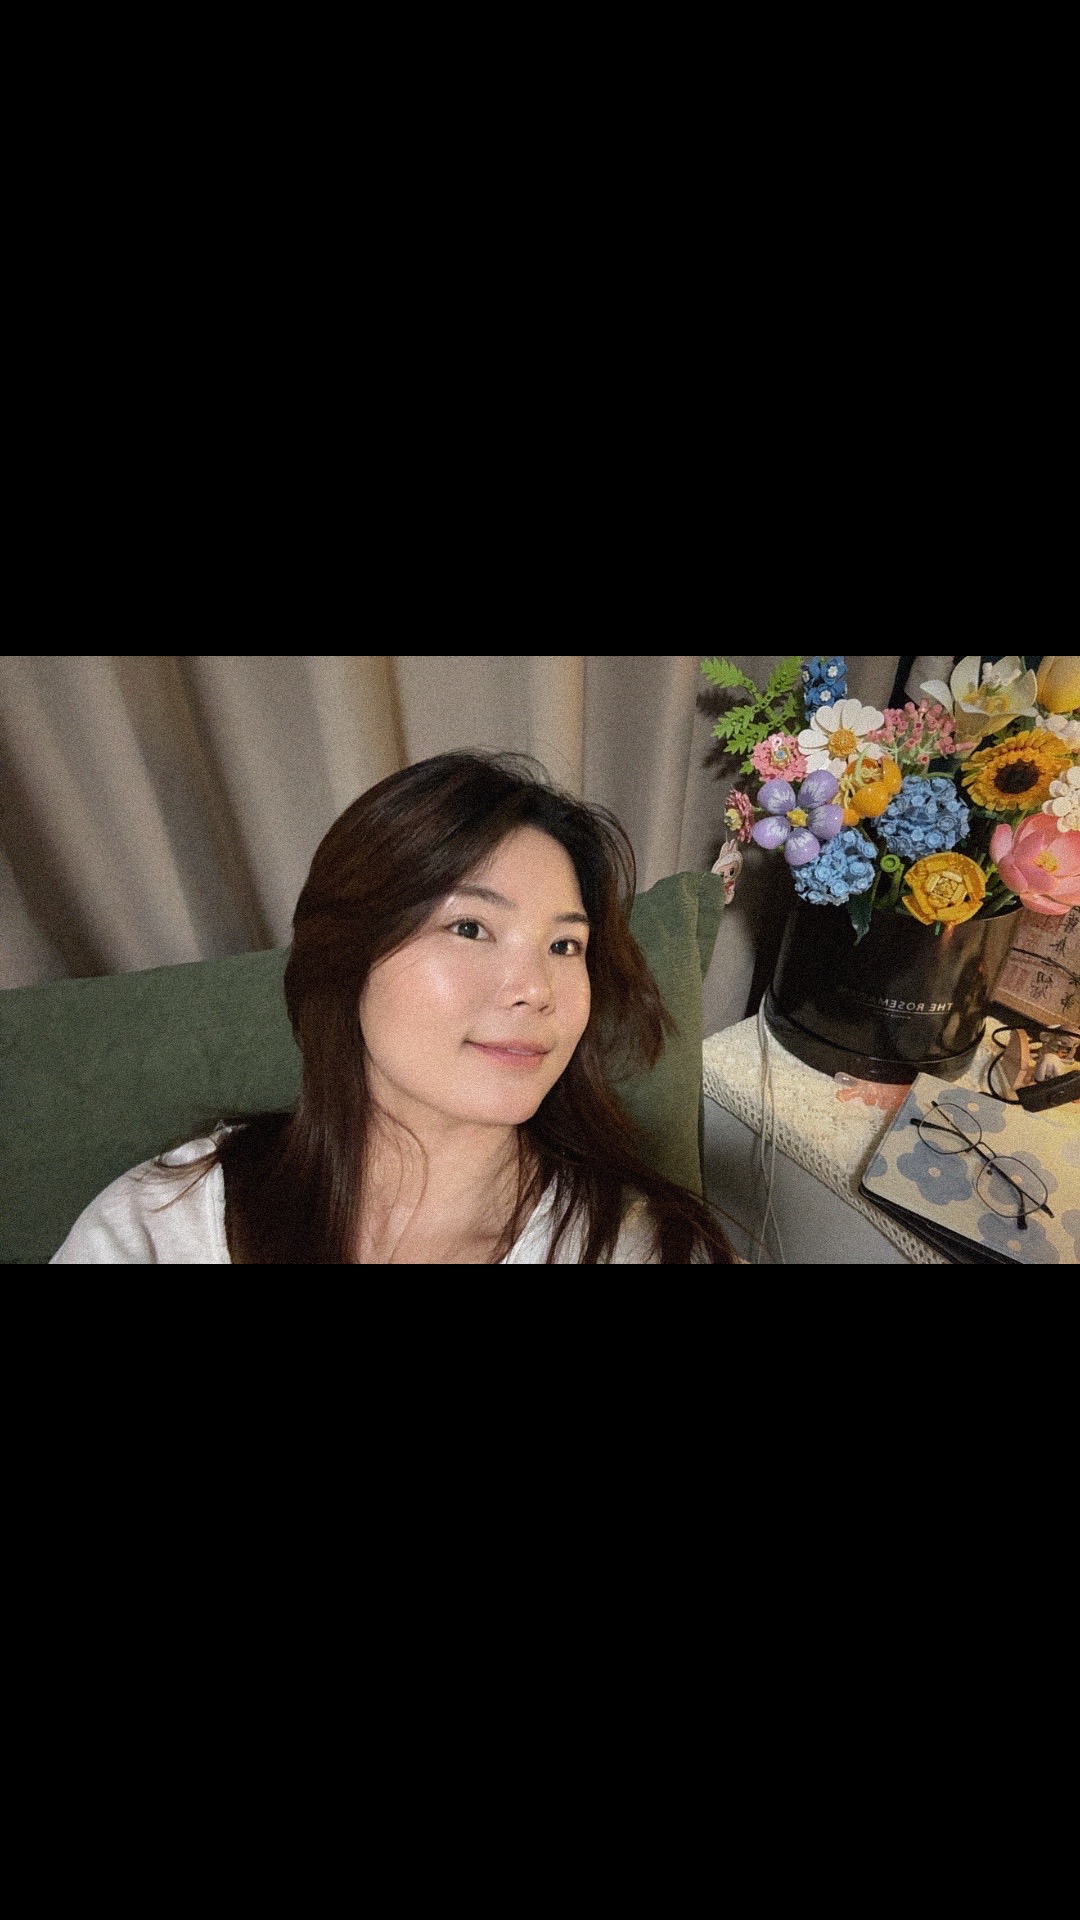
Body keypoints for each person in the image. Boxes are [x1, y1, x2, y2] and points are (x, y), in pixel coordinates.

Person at [51, 751, 737, 1264]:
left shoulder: (650, 1249)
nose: (536, 988)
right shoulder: (162, 1224)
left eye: (564, 945)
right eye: (470, 928)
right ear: (349, 960)